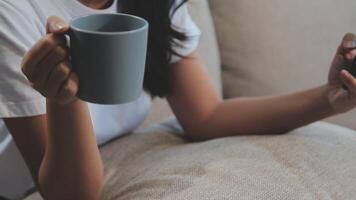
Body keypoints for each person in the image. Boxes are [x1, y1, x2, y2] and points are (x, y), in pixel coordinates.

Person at [0, 0, 355, 199]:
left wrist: (329, 97)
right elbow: (72, 196)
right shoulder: (15, 11)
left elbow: (207, 114)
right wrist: (64, 98)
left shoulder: (153, 3)